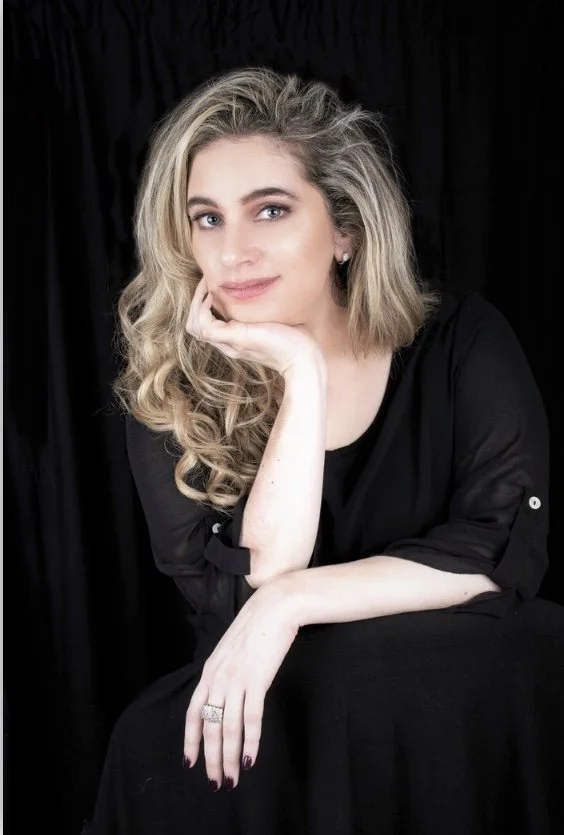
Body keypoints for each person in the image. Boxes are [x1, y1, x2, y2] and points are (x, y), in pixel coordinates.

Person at [86, 66, 564, 834]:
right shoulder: (169, 388)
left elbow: (499, 550)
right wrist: (301, 372)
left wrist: (293, 601)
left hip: (446, 694)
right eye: (206, 219)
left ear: (345, 229)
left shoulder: (461, 344)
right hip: (285, 711)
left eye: (269, 210)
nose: (233, 252)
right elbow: (244, 593)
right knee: (155, 744)